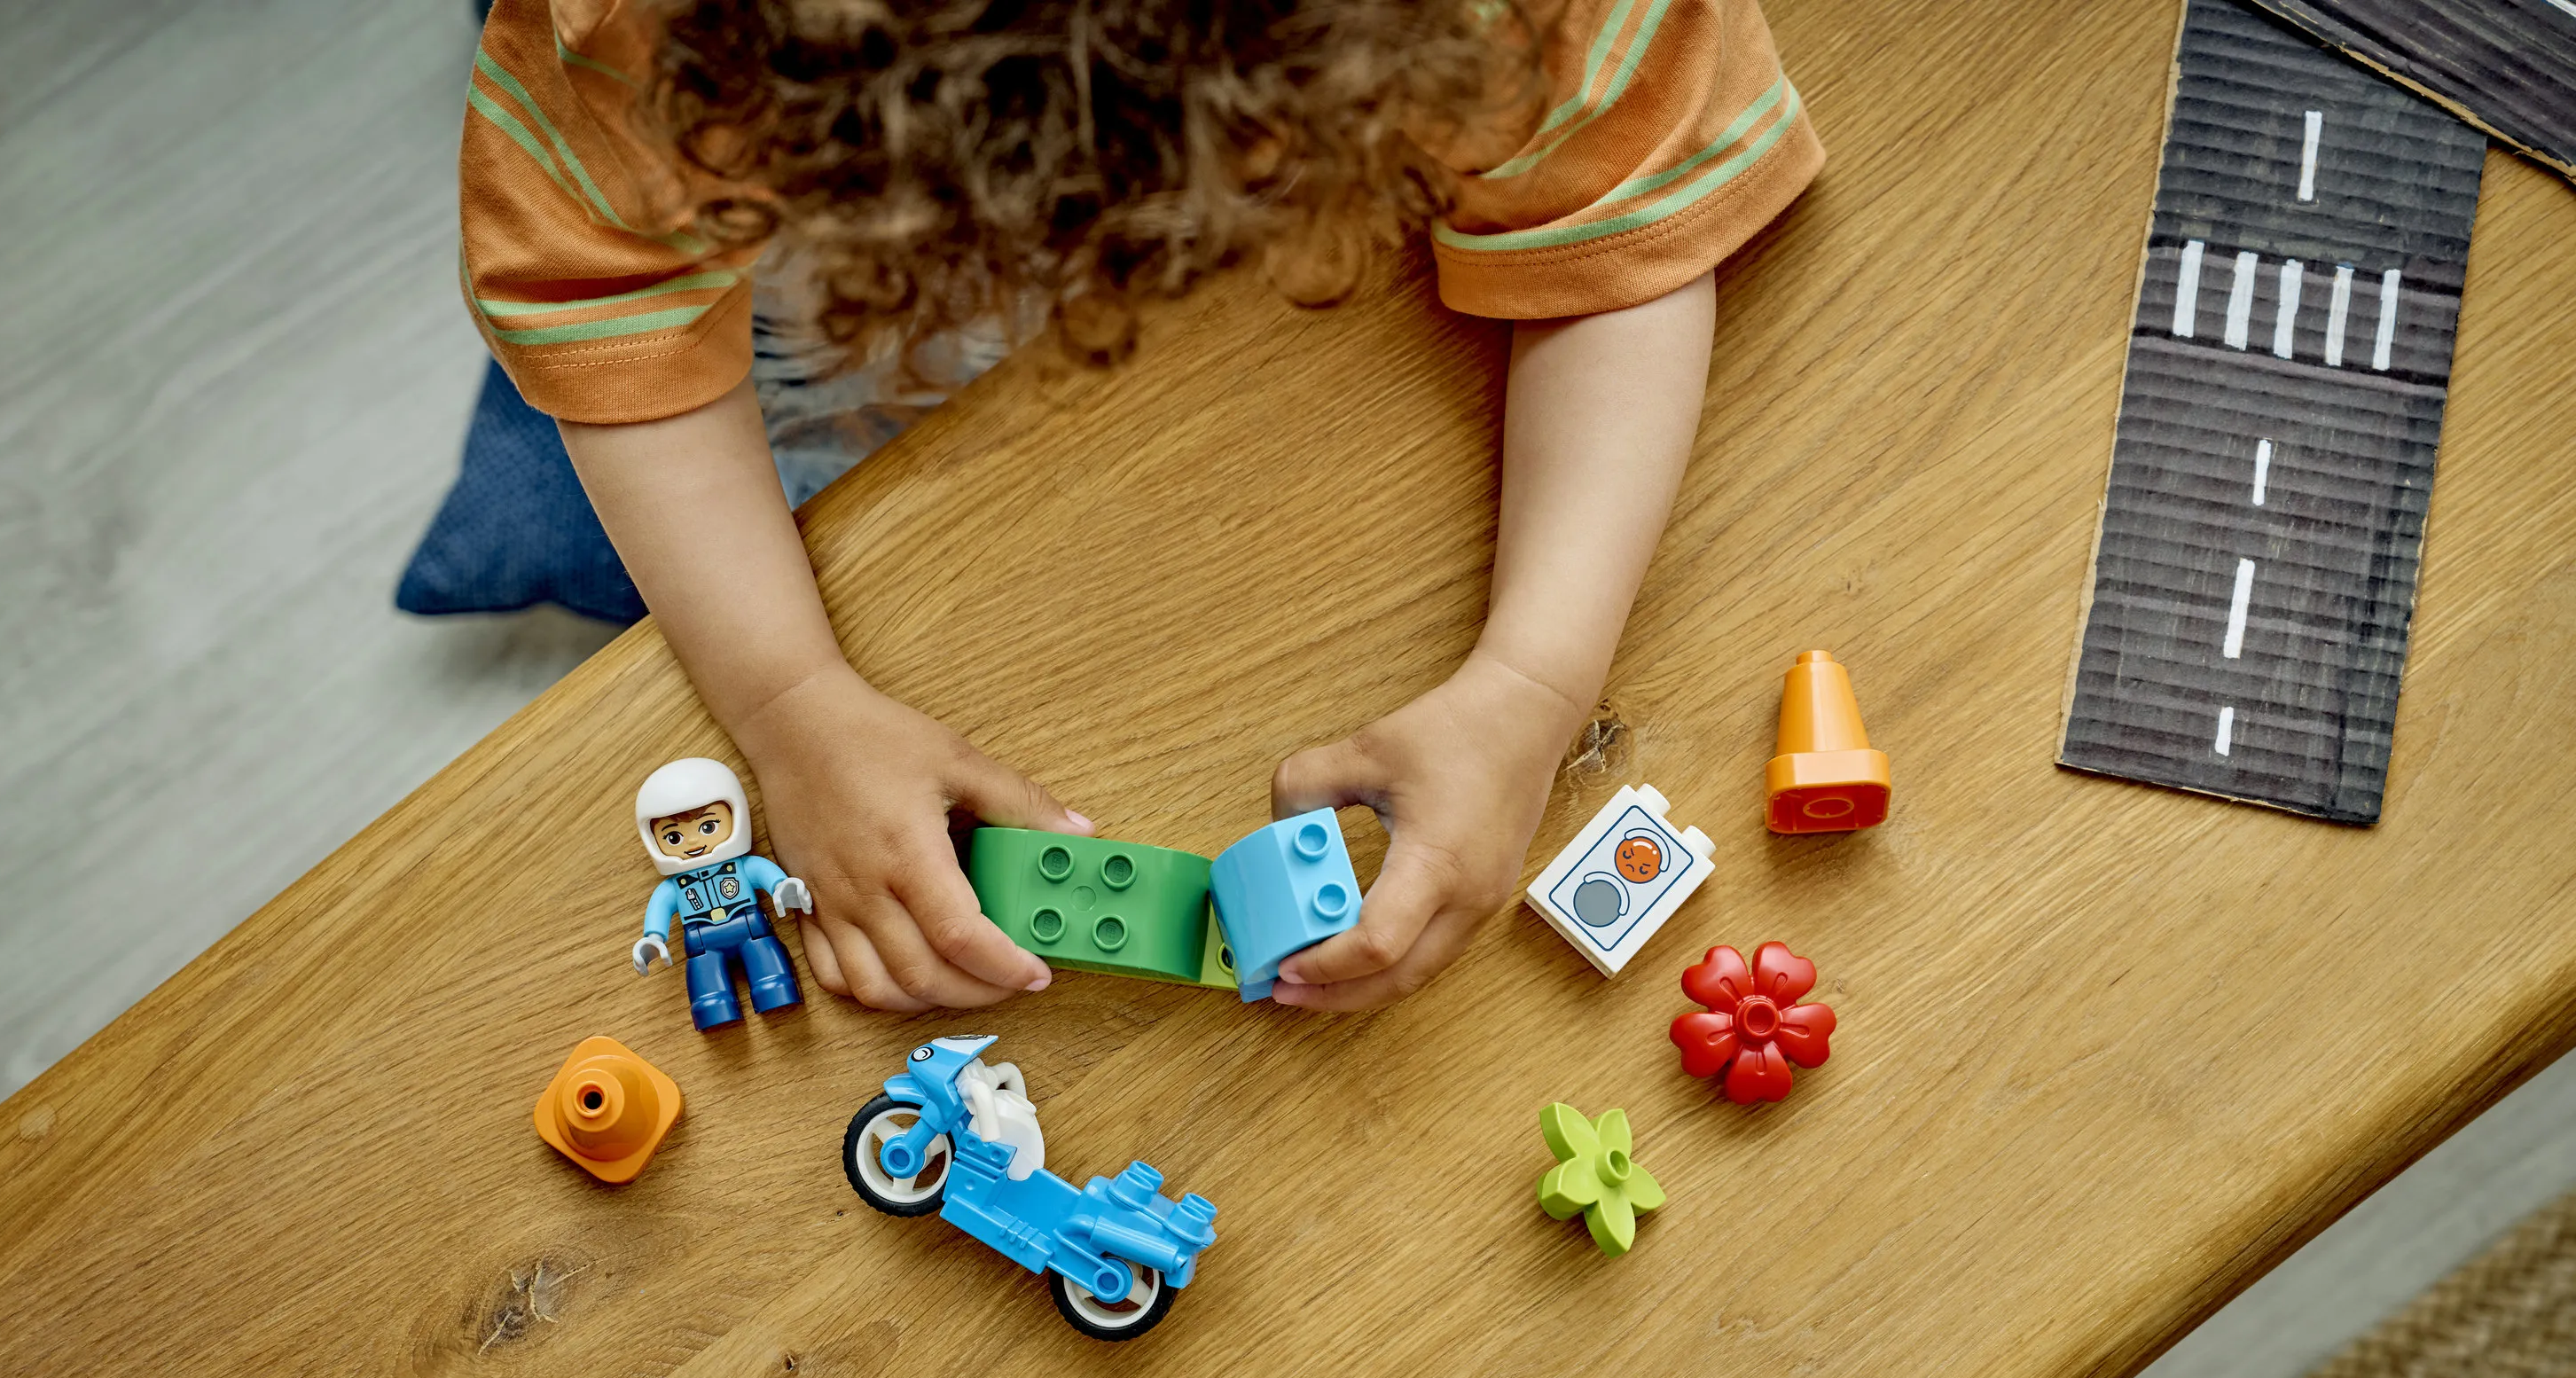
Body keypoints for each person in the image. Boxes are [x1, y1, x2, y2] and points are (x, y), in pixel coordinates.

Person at [460, 0, 1821, 1012]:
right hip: (817, 348)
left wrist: (1537, 677)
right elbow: (604, 306)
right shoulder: (639, 43)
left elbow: (1620, 213)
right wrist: (784, 701)